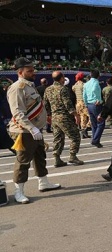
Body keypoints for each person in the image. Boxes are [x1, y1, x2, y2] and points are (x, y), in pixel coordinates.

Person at [7, 57, 61, 204]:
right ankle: (19, 191)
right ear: (20, 72)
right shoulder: (17, 88)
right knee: (23, 161)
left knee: (39, 156)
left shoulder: (30, 86)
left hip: (35, 130)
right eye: (29, 71)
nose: (32, 72)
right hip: (24, 131)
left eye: (32, 70)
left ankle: (43, 182)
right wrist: (32, 129)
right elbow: (18, 113)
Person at [43, 71, 84, 167]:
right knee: (75, 136)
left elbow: (45, 104)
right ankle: (72, 157)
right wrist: (76, 115)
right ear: (61, 78)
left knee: (58, 138)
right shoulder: (63, 89)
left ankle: (57, 159)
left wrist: (48, 115)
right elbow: (68, 104)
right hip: (64, 117)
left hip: (54, 117)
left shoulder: (48, 89)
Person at [83, 69, 105, 147]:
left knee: (94, 124)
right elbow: (95, 91)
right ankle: (95, 140)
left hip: (89, 104)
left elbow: (84, 95)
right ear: (98, 75)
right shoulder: (96, 83)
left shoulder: (86, 84)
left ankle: (96, 140)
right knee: (101, 122)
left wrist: (86, 104)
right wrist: (98, 100)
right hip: (96, 104)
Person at [72, 72, 90, 139]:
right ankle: (86, 129)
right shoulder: (84, 85)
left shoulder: (74, 86)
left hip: (78, 103)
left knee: (83, 118)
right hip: (83, 102)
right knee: (91, 116)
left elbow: (74, 90)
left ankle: (84, 133)